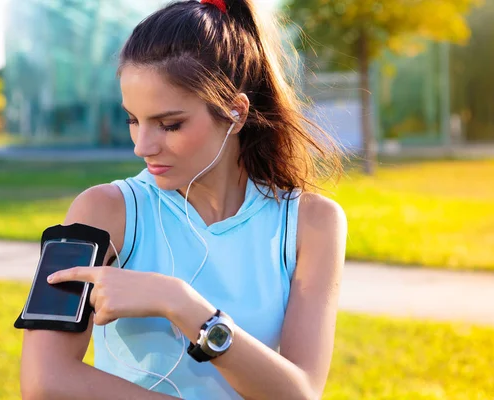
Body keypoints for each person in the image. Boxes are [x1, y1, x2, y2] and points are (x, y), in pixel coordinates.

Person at [20, 0, 347, 398]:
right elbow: (44, 381)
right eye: (133, 120)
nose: (142, 146)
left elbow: (300, 393)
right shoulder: (100, 211)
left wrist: (180, 303)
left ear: (236, 112)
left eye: (169, 124)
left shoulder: (311, 223)